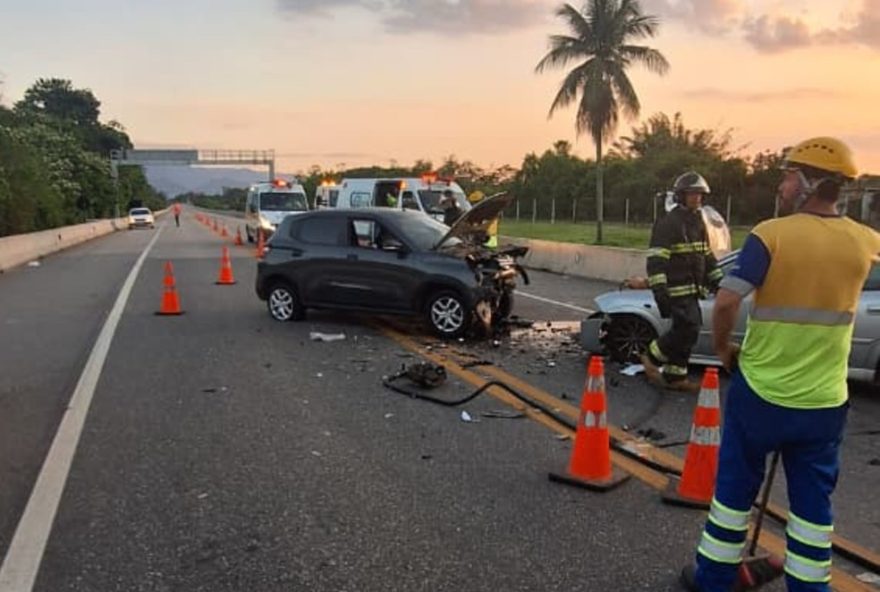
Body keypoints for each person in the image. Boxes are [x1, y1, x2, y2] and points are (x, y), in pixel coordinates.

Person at [680, 137, 880, 592]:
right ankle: (810, 586)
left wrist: (726, 349)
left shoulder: (771, 234)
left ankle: (713, 579)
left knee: (733, 493)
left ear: (809, 183)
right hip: (825, 400)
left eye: (790, 175)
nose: (784, 183)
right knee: (813, 507)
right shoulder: (866, 242)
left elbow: (728, 300)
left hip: (762, 391)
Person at [641, 172, 723, 392]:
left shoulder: (698, 223)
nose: (697, 198)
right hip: (675, 290)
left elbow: (706, 255)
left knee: (690, 331)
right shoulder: (668, 223)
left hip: (693, 289)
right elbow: (656, 262)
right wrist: (661, 292)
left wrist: (718, 281)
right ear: (680, 196)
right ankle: (651, 357)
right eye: (692, 194)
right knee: (686, 329)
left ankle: (676, 376)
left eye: (700, 194)